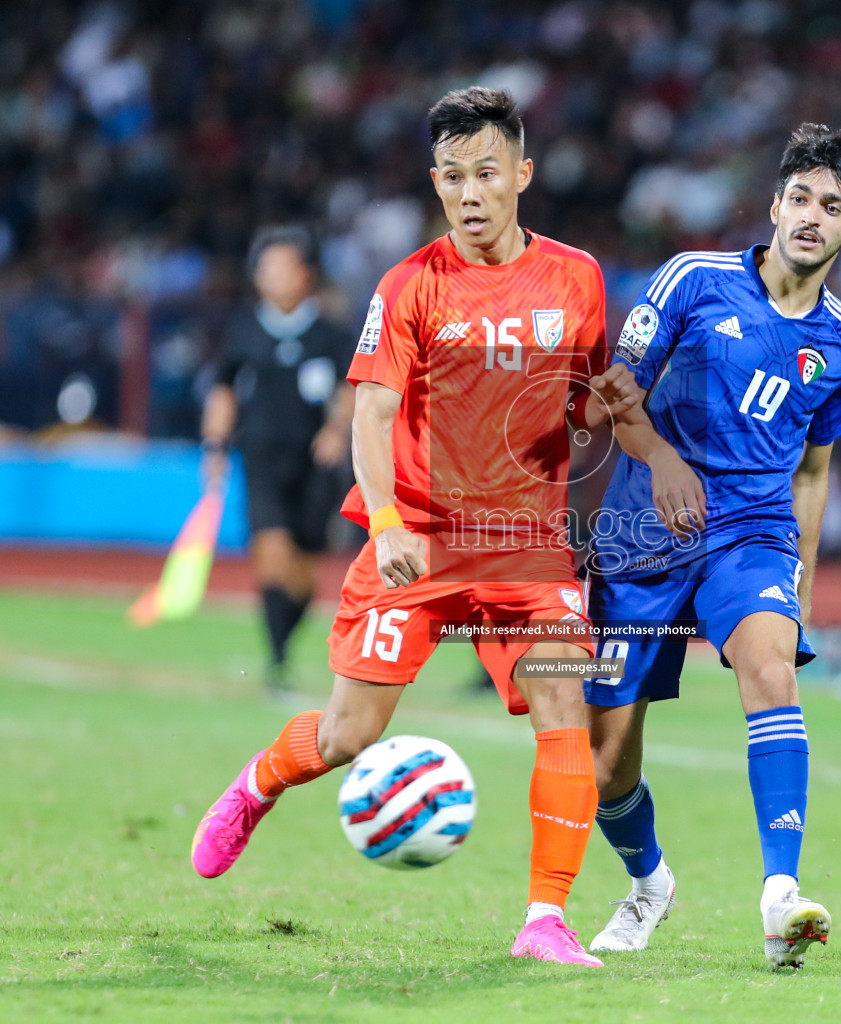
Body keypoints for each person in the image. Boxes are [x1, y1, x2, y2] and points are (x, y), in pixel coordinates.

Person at [189, 87, 646, 967]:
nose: (469, 193)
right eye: (450, 176)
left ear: (523, 173)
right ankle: (257, 786)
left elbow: (587, 397)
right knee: (346, 736)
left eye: (485, 173)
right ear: (434, 184)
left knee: (567, 708)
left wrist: (608, 421)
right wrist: (389, 522)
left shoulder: (576, 276)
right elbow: (371, 414)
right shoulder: (407, 287)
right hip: (421, 542)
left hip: (526, 549)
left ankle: (544, 921)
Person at [581, 124, 841, 969]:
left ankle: (781, 895)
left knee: (770, 667)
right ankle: (649, 882)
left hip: (750, 536)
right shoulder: (693, 278)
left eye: (833, 206)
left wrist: (802, 589)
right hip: (645, 534)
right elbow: (612, 386)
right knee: (605, 763)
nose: (812, 217)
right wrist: (665, 458)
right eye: (800, 198)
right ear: (775, 203)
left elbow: (814, 473)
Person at [201, 226, 356, 692]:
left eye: (281, 267)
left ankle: (282, 647)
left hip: (316, 463)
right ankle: (277, 660)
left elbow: (350, 389)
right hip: (262, 457)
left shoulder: (330, 333)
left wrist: (336, 430)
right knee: (271, 553)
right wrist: (214, 447)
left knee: (305, 571)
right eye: (264, 269)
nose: (270, 277)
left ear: (305, 274)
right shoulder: (244, 331)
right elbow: (223, 390)